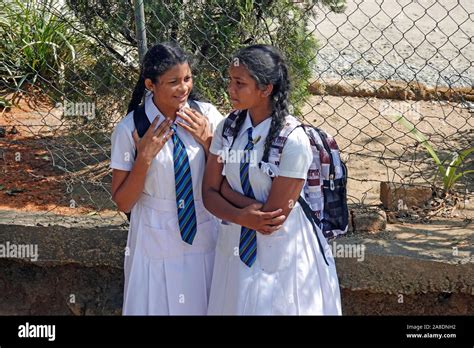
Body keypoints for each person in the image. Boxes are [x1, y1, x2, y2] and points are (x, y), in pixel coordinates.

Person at [203, 44, 342, 315]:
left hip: (282, 252)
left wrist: (225, 192)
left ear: (266, 89)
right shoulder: (228, 127)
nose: (230, 89)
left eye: (239, 83)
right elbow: (207, 192)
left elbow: (271, 218)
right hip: (234, 244)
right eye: (230, 81)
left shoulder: (293, 140)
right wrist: (241, 214)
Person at [110, 42, 223, 315]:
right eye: (173, 82)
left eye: (187, 78)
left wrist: (209, 142)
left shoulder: (206, 116)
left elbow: (229, 176)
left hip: (204, 229)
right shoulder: (131, 128)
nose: (184, 88)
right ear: (150, 84)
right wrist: (144, 158)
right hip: (154, 237)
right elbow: (124, 202)